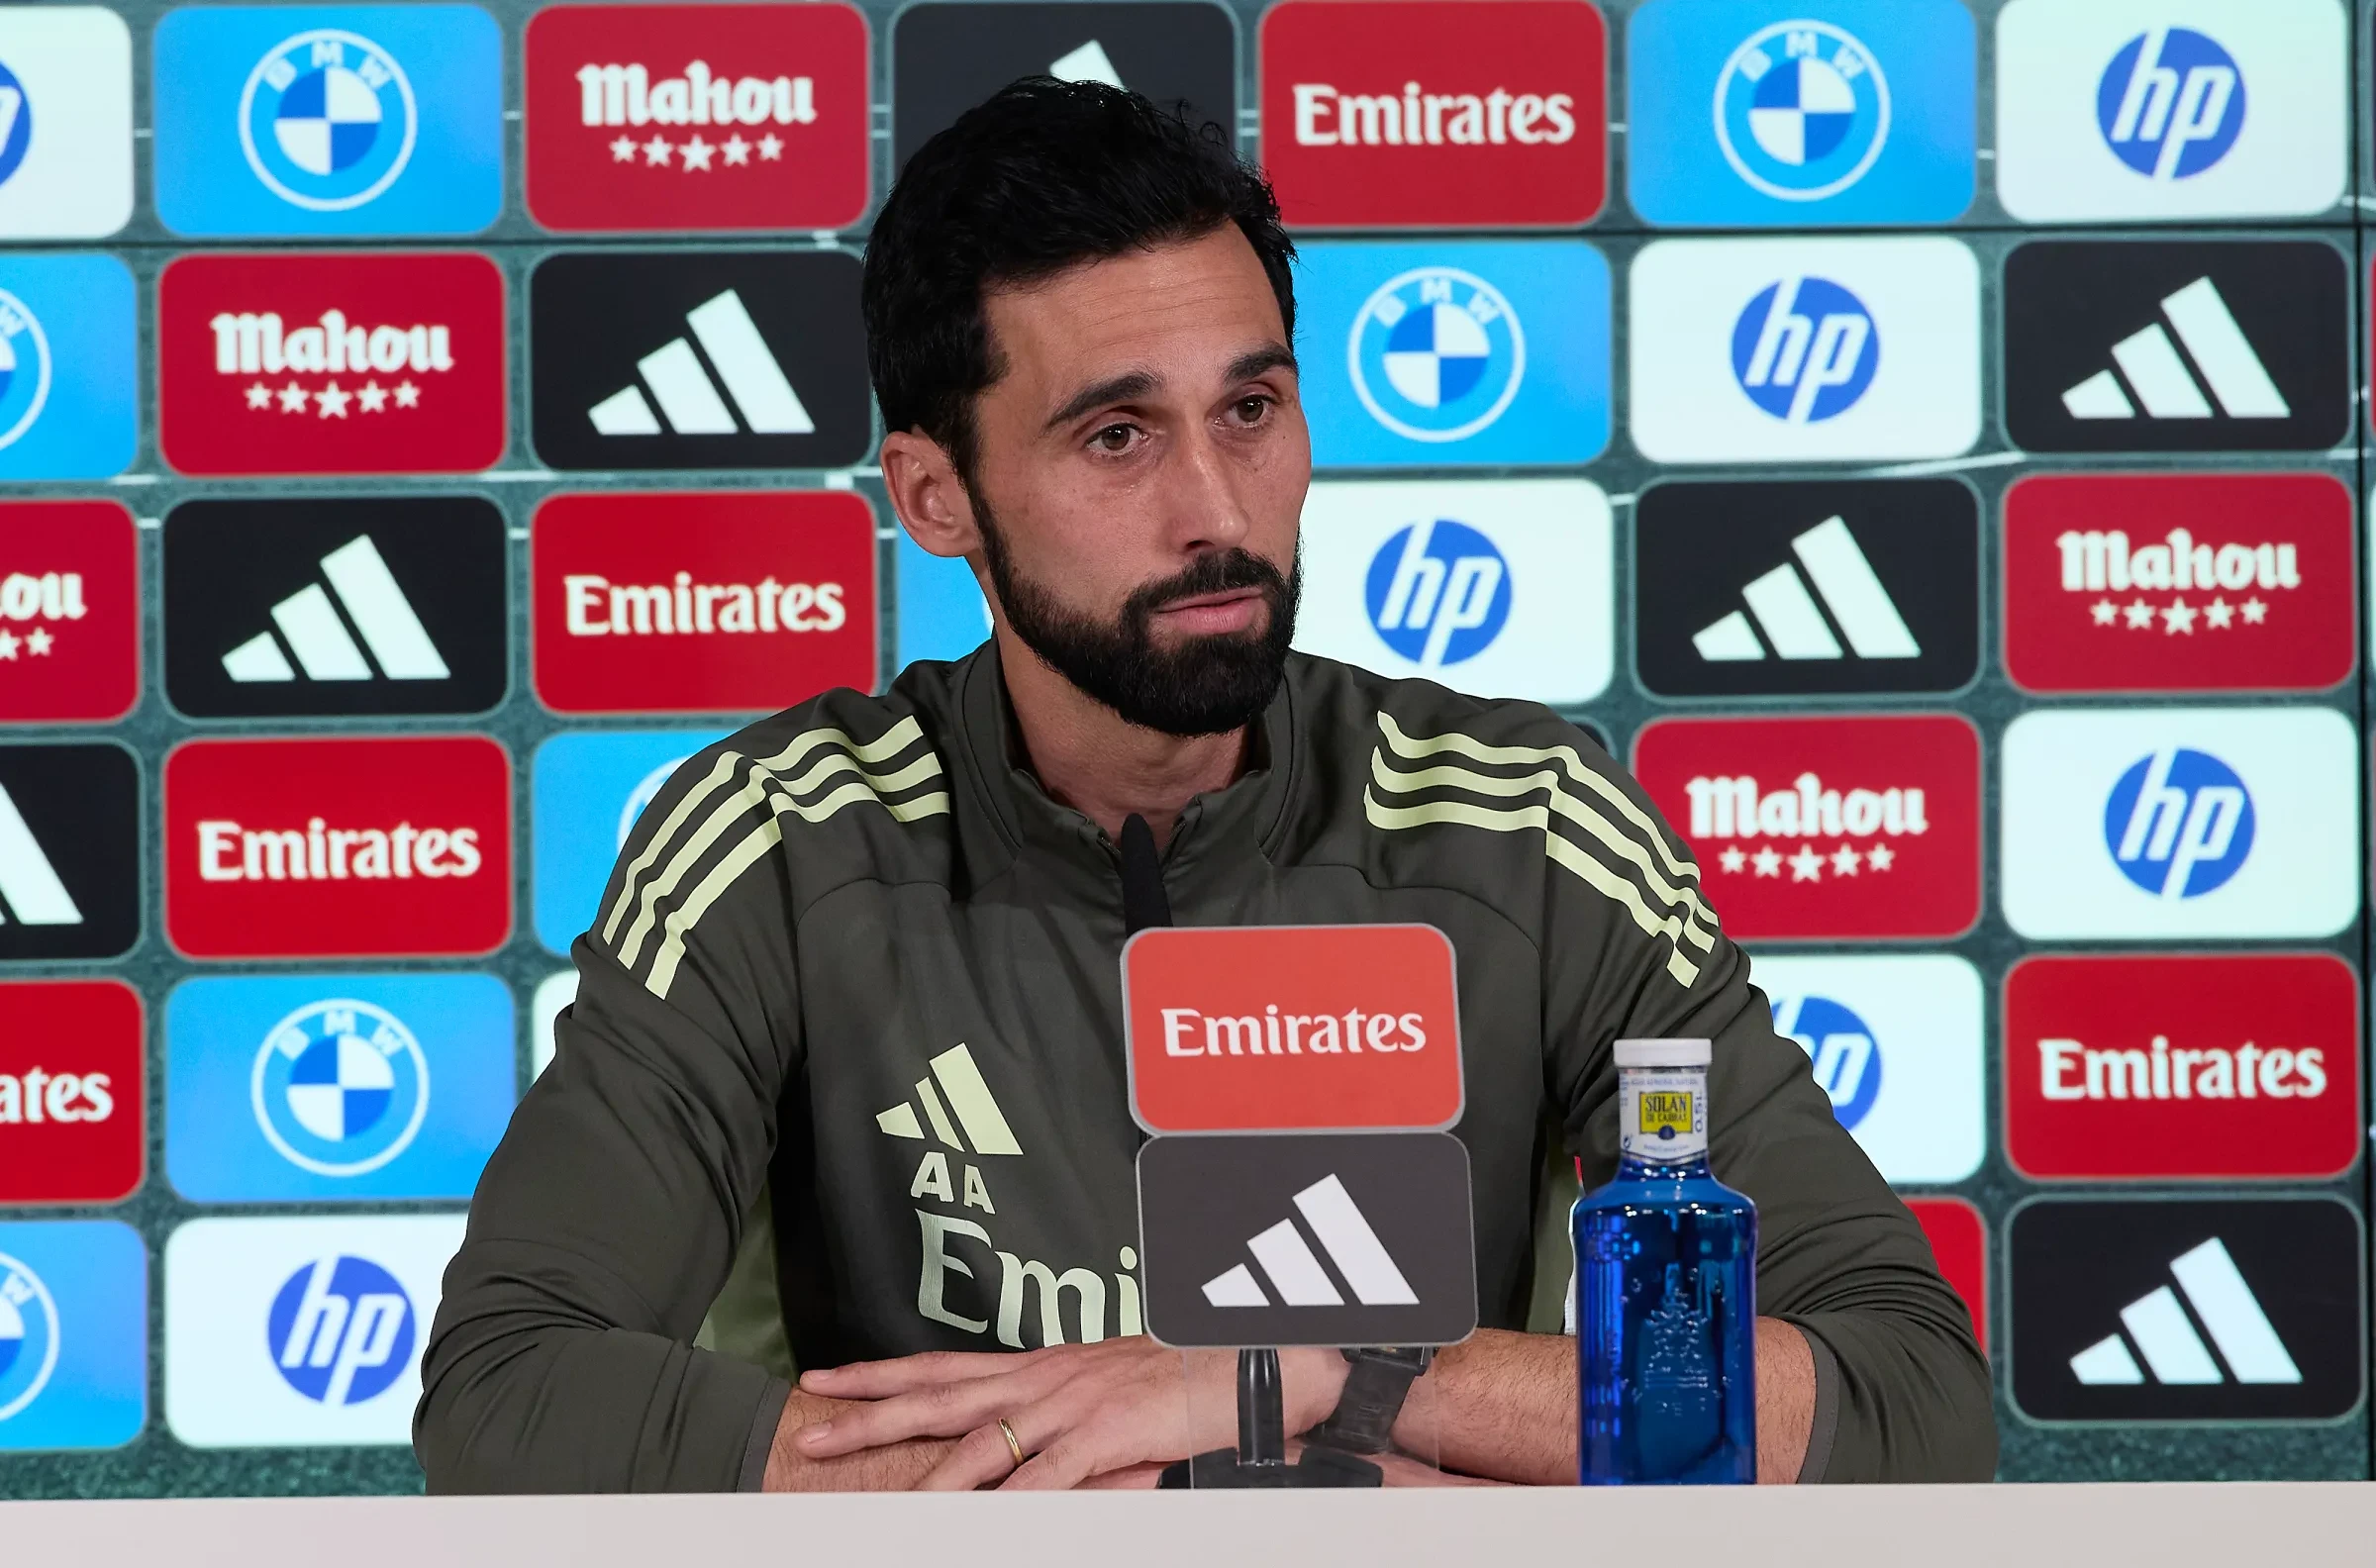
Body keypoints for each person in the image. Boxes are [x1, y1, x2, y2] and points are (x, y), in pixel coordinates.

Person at [416, 79, 1995, 1493]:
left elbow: (1906, 1398)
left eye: (1251, 409)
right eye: (1116, 437)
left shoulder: (1525, 826)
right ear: (936, 497)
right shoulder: (779, 838)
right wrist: (1106, 1489)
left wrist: (1315, 1375)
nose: (1218, 510)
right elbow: (508, 1390)